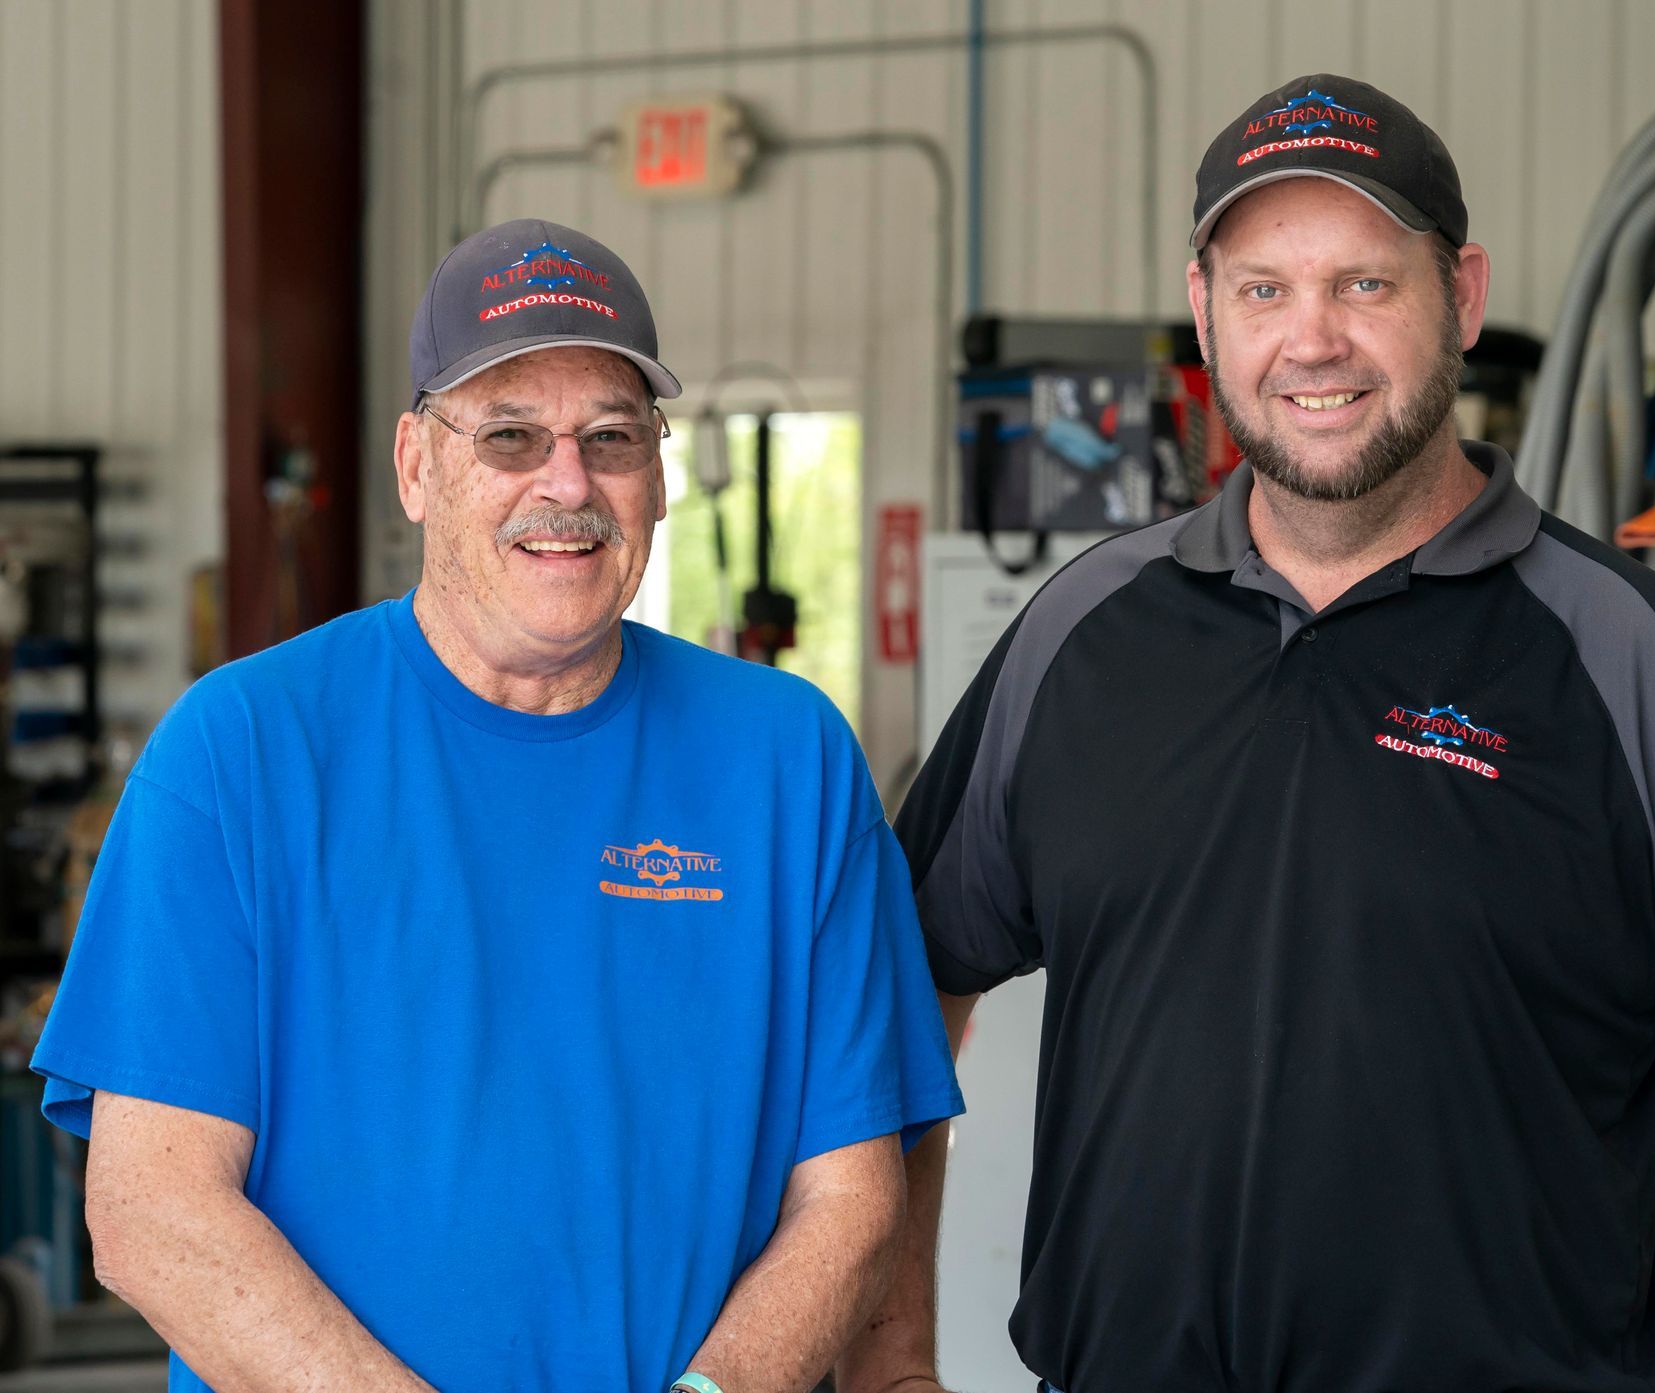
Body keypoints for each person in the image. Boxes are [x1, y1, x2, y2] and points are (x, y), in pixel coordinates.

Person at [837, 74, 1655, 1393]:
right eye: (1263, 290)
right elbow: (883, 1012)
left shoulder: (1616, 653)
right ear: (1204, 310)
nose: (1313, 341)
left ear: (1458, 296)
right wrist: (893, 1374)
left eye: (1364, 285)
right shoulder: (1083, 634)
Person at [33, 218, 964, 1393]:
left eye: (612, 438)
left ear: (660, 476)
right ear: (418, 467)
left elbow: (854, 1191)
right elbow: (150, 1206)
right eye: (512, 435)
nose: (566, 484)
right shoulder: (242, 751)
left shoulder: (789, 761)